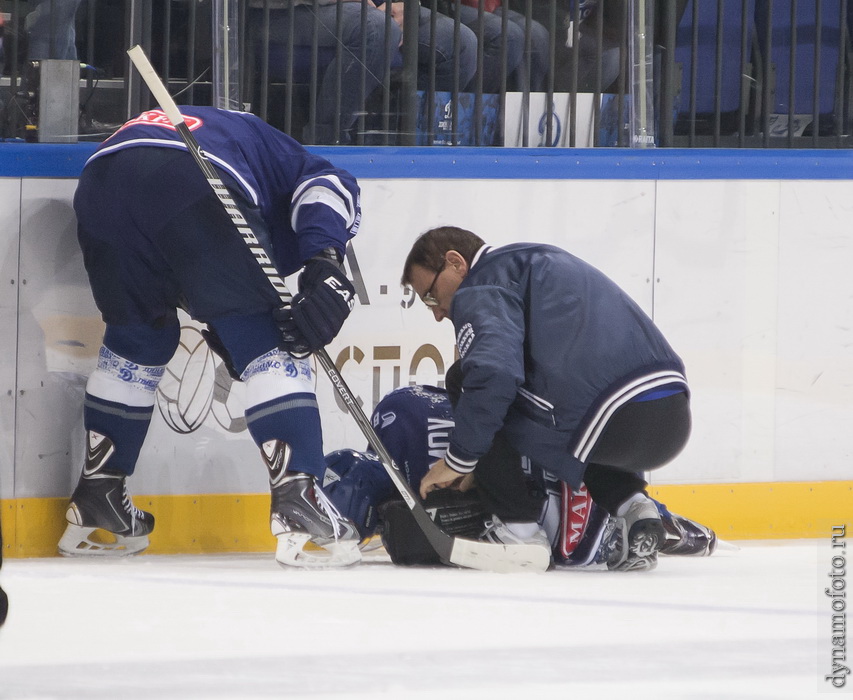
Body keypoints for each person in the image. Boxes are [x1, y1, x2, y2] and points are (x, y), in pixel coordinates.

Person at [61, 105, 364, 569]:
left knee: (137, 340)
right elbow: (328, 186)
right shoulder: (298, 165)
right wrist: (324, 259)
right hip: (192, 173)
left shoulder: (232, 137)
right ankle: (299, 499)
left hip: (101, 183)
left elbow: (182, 261)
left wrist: (220, 317)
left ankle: (98, 494)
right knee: (271, 343)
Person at [401, 226, 692, 571]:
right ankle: (632, 508)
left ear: (455, 263)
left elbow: (495, 375)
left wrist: (459, 460)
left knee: (468, 378)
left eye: (431, 297)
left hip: (613, 418)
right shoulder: (541, 260)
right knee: (579, 419)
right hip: (671, 415)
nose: (437, 313)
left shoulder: (482, 282)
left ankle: (518, 531)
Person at [323, 382, 716, 568]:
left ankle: (659, 520)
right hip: (576, 447)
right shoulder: (398, 405)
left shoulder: (405, 528)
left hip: (544, 511)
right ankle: (655, 516)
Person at [250, 0, 477, 145]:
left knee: (461, 43)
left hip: (370, 8)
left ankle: (407, 139)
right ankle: (326, 142)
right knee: (375, 28)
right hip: (288, 10)